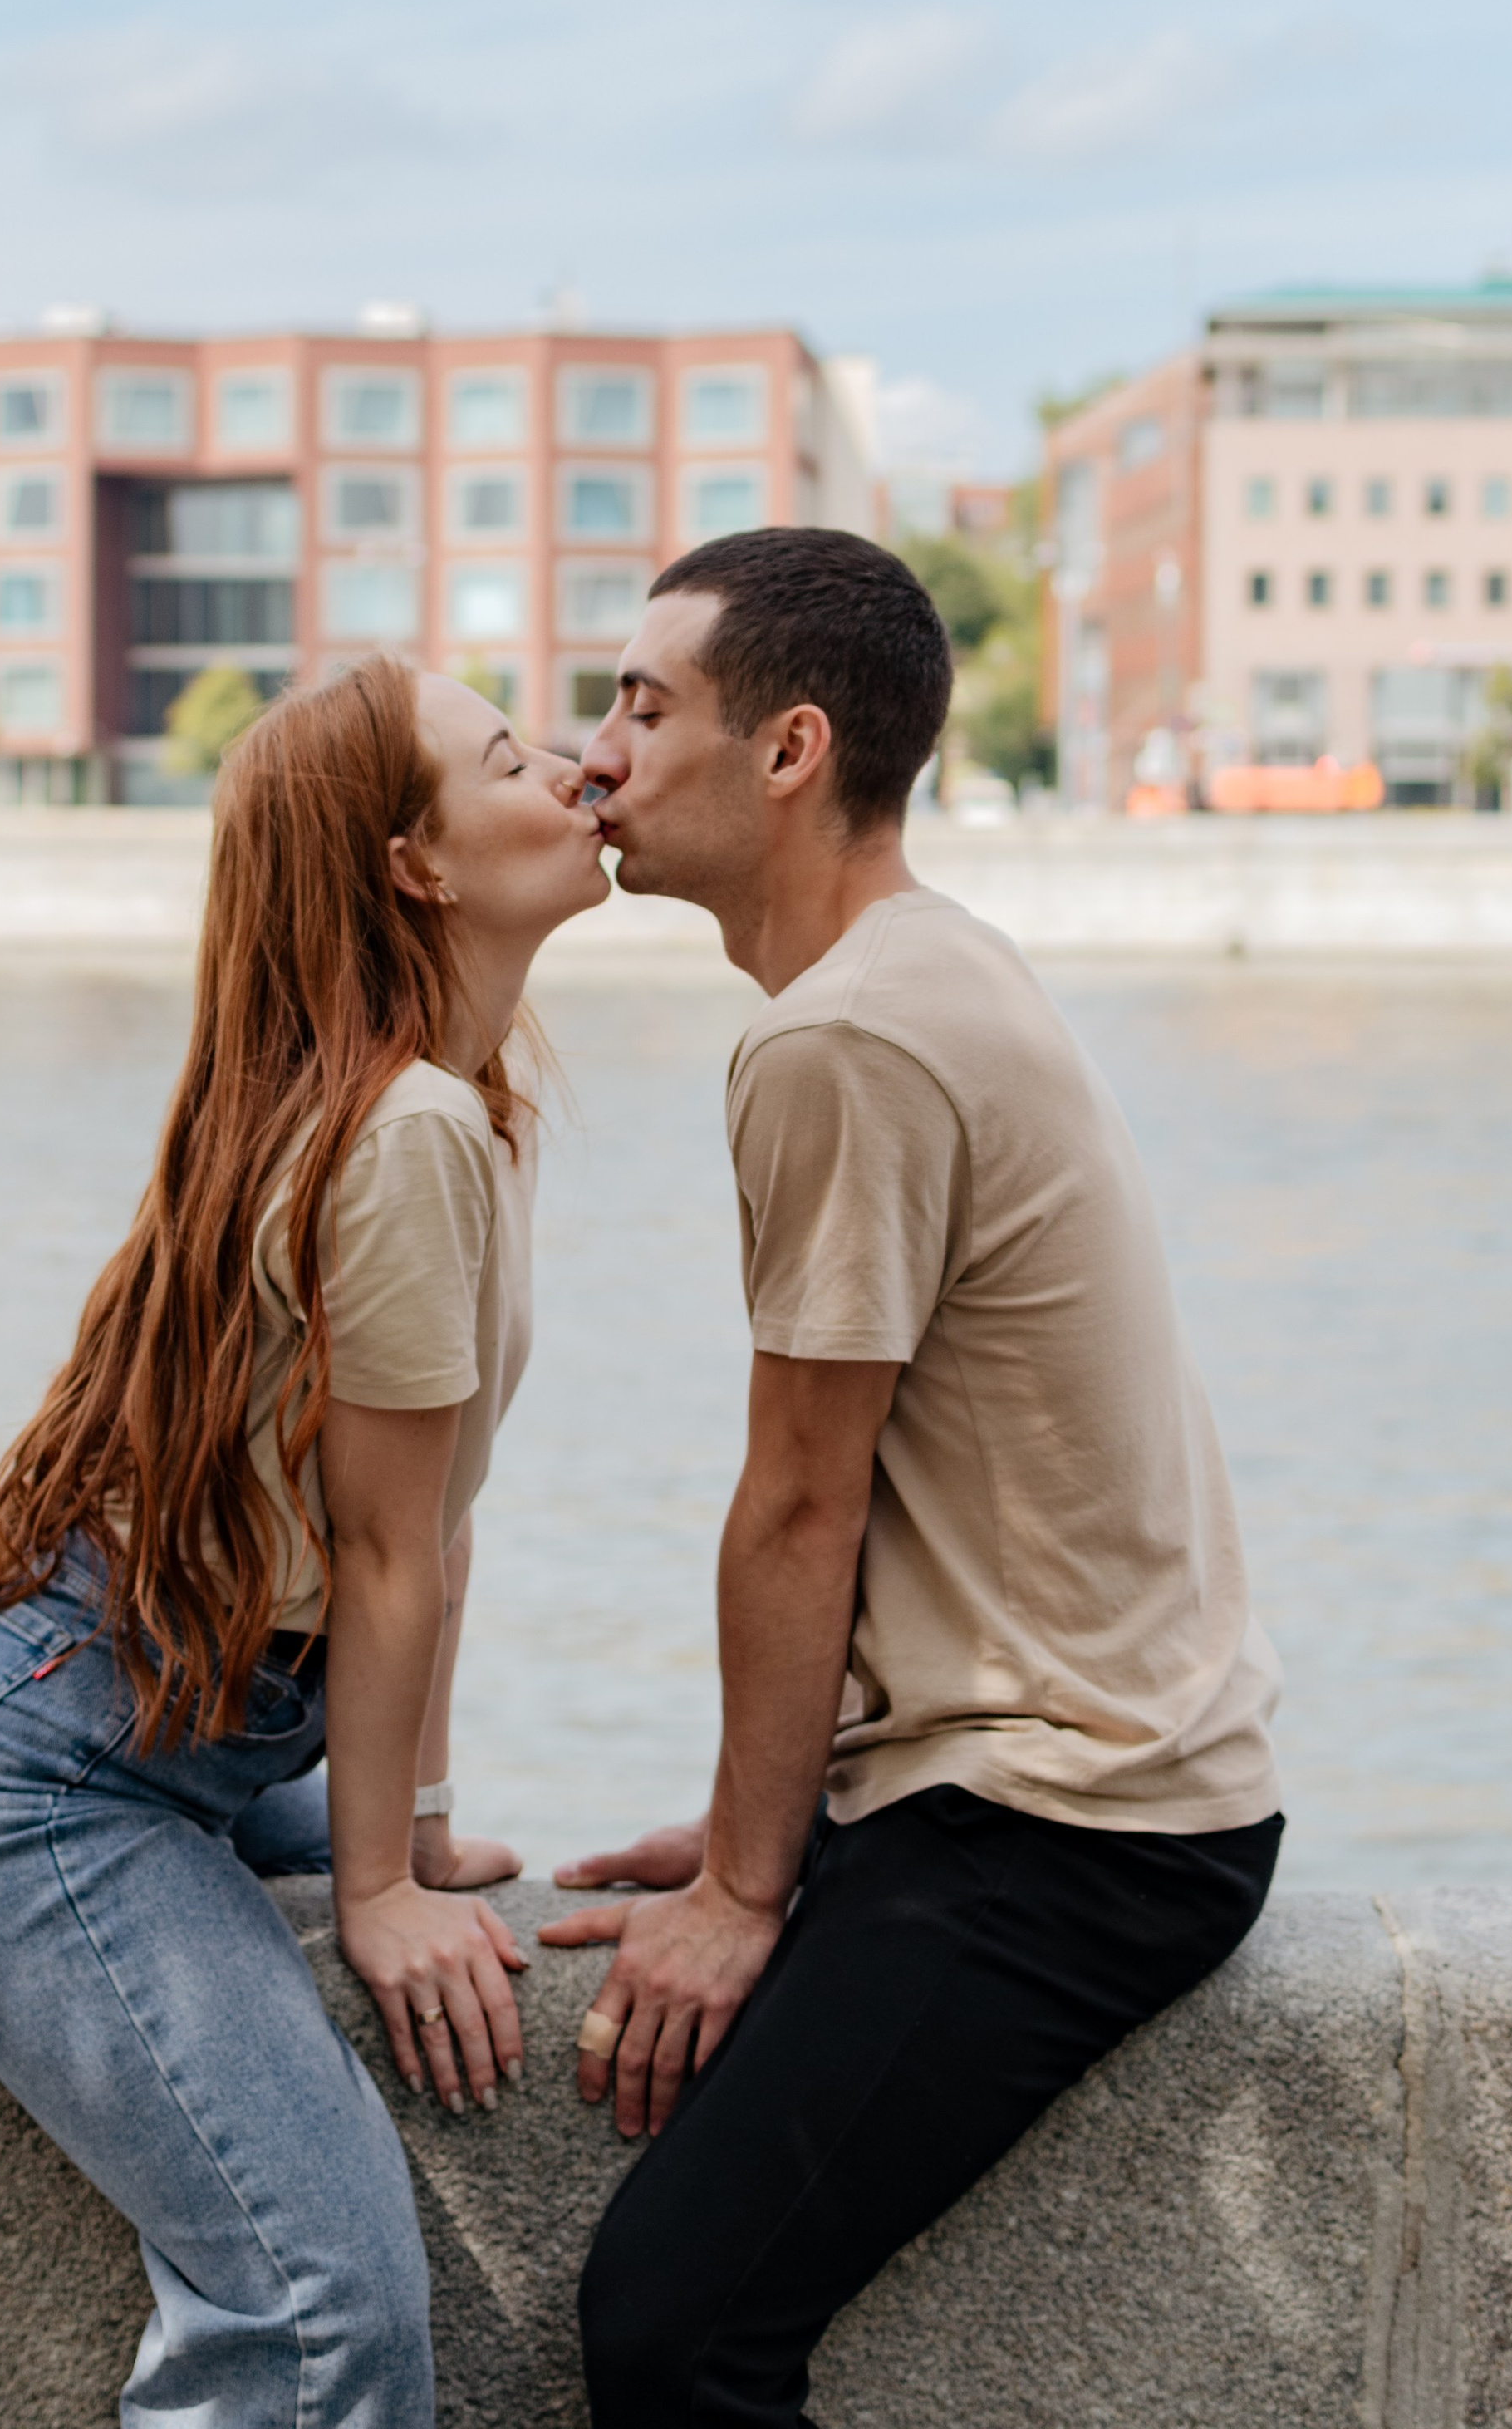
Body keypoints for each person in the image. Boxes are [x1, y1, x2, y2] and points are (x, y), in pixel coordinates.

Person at [541, 528, 1283, 2429]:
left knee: (668, 2329)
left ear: (789, 750)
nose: (595, 754)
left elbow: (804, 1500)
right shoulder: (931, 958)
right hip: (1053, 1779)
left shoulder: (842, 1038)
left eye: (641, 708)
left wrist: (740, 1887)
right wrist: (764, 1821)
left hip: (1071, 1827)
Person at [0, 656, 609, 2429]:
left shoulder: (460, 1106)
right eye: (510, 756)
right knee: (315, 2307)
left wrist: (420, 1831)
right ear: (415, 863)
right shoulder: (406, 1127)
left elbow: (430, 1526)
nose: (576, 767)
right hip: (46, 1772)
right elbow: (383, 1555)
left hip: (190, 1724)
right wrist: (378, 1896)